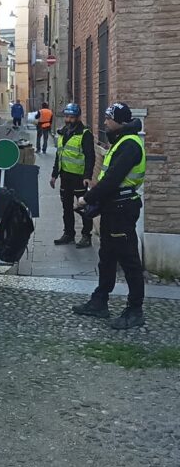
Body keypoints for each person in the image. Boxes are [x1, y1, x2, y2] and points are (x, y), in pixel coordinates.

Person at [72, 102, 146, 330]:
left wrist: (88, 198)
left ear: (119, 121)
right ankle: (100, 300)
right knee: (107, 256)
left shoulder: (130, 145)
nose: (105, 122)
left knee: (129, 259)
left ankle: (135, 310)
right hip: (114, 207)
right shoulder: (121, 142)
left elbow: (112, 179)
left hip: (122, 209)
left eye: (108, 118)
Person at [50, 103, 95, 248]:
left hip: (80, 178)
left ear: (78, 117)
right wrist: (54, 175)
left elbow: (90, 156)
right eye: (67, 117)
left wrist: (87, 176)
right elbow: (59, 155)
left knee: (84, 208)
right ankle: (68, 234)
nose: (68, 120)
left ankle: (86, 236)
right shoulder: (63, 132)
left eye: (71, 117)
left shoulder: (85, 134)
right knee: (66, 208)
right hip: (65, 177)